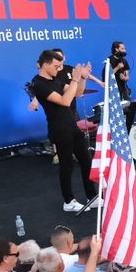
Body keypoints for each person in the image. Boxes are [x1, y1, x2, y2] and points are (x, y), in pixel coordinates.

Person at [29, 51, 101, 213]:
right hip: (59, 129)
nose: (59, 69)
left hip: (71, 125)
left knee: (86, 161)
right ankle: (68, 201)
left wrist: (82, 78)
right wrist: (75, 78)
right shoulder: (39, 84)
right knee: (67, 165)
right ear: (45, 64)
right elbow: (65, 101)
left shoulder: (56, 79)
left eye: (61, 65)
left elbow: (78, 93)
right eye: (56, 66)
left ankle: (92, 197)